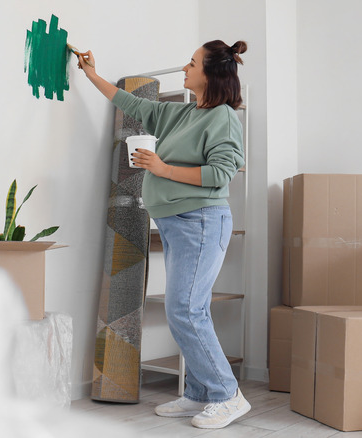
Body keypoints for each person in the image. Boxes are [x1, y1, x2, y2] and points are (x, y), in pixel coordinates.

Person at [77, 40, 249, 429]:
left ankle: (227, 394)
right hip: (176, 223)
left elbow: (222, 173)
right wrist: (91, 75)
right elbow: (132, 104)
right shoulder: (183, 114)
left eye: (191, 63)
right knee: (186, 310)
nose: (185, 68)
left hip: (201, 222)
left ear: (211, 74)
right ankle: (200, 394)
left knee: (186, 311)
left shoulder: (223, 118)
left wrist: (161, 167)